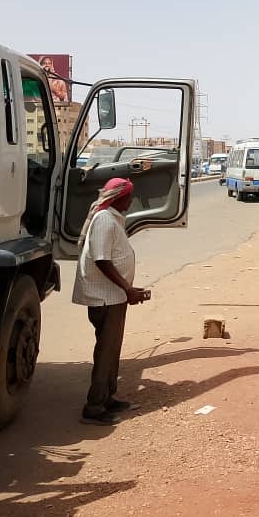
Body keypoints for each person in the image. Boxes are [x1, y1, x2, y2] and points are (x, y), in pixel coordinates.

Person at [72, 178, 150, 425]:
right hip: (105, 298)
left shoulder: (111, 218)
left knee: (112, 348)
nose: (131, 201)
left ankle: (107, 397)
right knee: (106, 351)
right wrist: (127, 288)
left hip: (114, 296)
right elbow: (101, 259)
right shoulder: (104, 219)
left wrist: (127, 290)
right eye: (129, 196)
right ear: (118, 198)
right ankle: (94, 407)